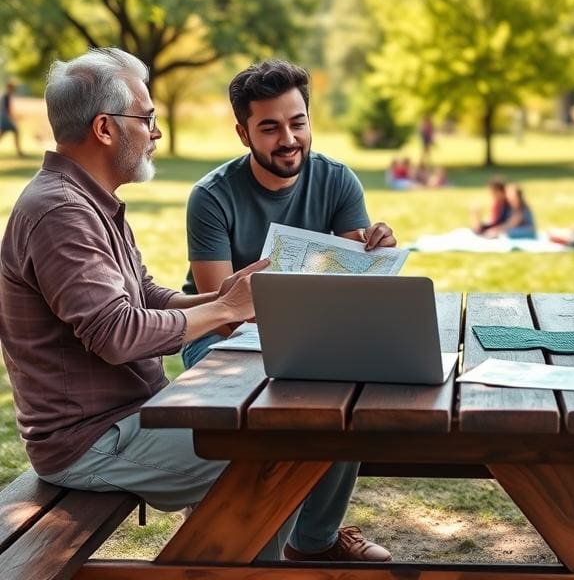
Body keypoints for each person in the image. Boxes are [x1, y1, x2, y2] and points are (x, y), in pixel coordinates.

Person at [0, 47, 305, 560]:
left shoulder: (89, 200)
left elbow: (146, 296)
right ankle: (229, 568)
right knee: (282, 448)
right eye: (147, 118)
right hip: (92, 441)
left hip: (133, 417)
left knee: (278, 432)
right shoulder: (59, 212)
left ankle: (226, 565)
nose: (156, 132)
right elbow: (118, 334)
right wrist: (226, 310)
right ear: (105, 129)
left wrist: (229, 296)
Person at [179, 57, 394, 561]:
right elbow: (220, 308)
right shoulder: (211, 196)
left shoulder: (339, 181)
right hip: (222, 337)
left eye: (298, 123)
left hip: (312, 330)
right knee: (283, 400)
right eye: (270, 127)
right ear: (243, 133)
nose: (289, 138)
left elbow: (353, 286)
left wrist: (374, 253)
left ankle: (314, 541)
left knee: (349, 388)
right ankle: (254, 547)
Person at [0, 79, 25, 156]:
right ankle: (19, 152)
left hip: (4, 117)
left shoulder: (6, 95)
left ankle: (19, 152)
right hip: (5, 117)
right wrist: (12, 118)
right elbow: (6, 109)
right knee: (15, 131)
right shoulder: (6, 96)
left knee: (3, 133)